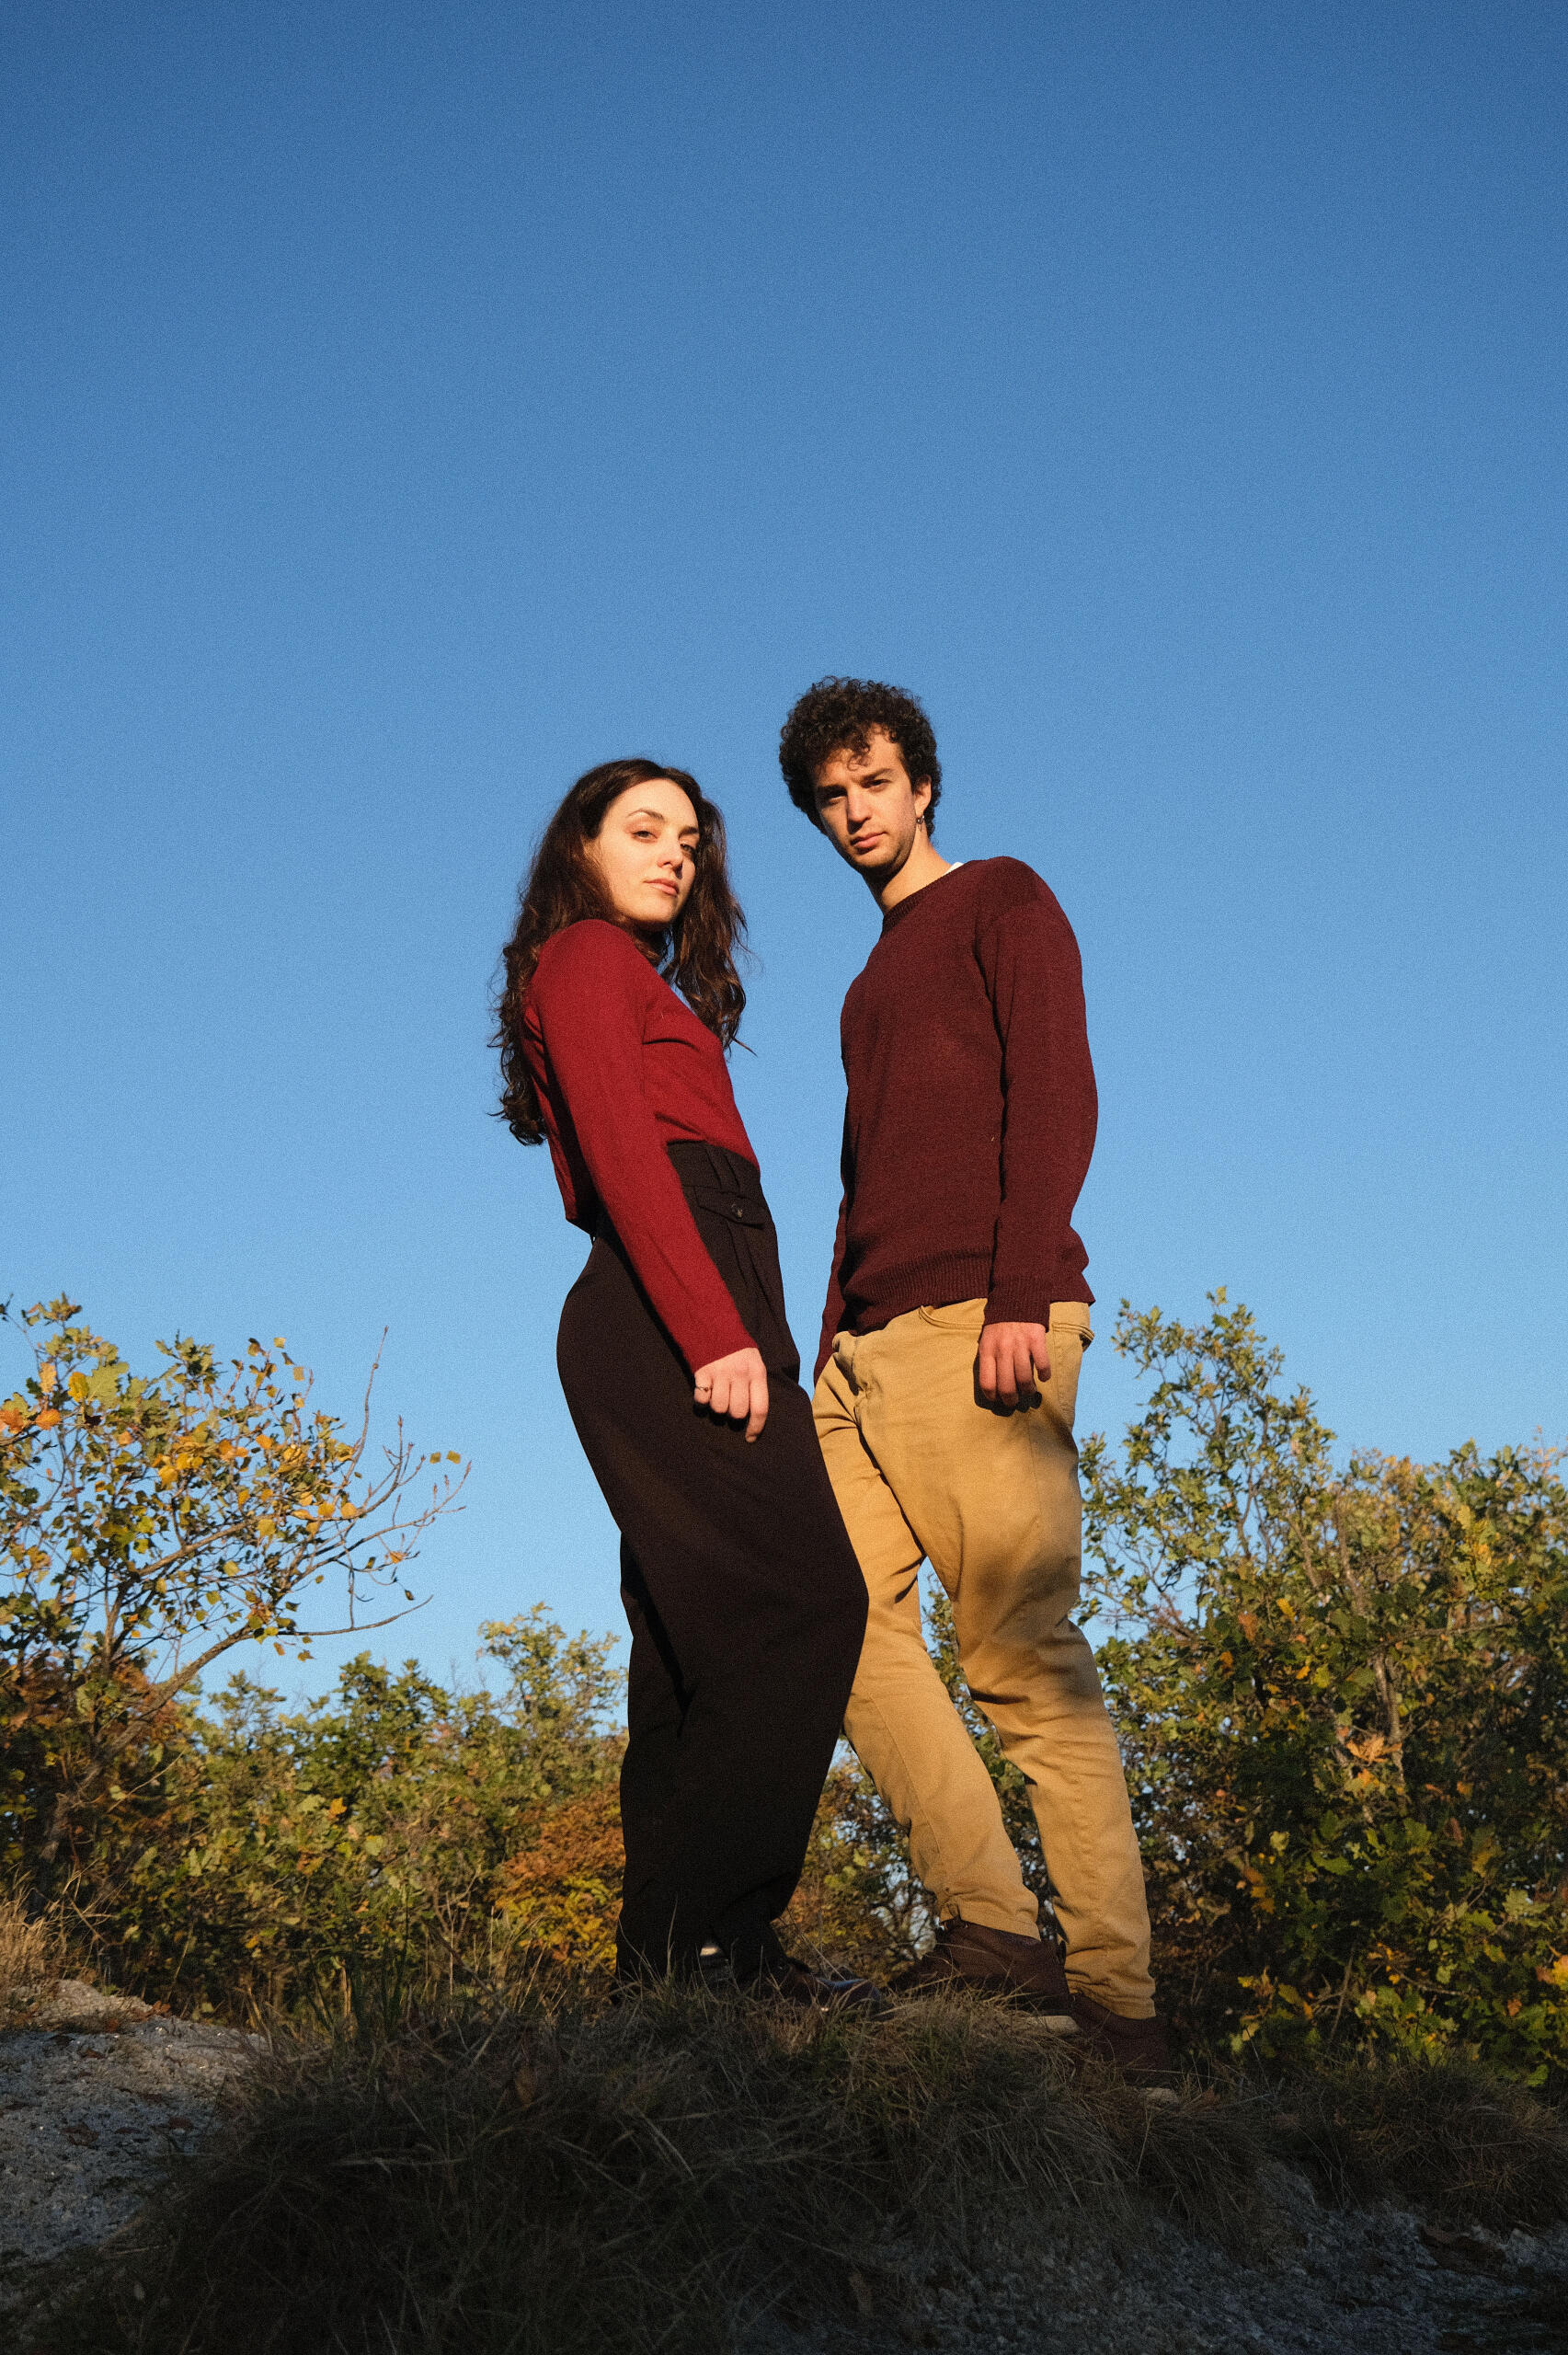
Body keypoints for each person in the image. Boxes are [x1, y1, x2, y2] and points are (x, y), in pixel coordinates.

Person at [777, 678, 1171, 2082]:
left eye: (871, 783)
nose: (852, 813)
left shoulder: (1002, 897)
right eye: (828, 797)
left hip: (980, 1322)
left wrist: (1018, 1297)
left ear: (921, 783)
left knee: (1017, 1655)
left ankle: (1120, 2012)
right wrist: (826, 1339)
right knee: (837, 1629)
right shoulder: (865, 982)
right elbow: (861, 1174)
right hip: (863, 1352)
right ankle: (992, 1930)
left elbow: (1055, 1090)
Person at [495, 757, 877, 2007]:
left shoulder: (631, 978)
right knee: (808, 1603)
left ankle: (672, 1970)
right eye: (643, 829)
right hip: (669, 1305)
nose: (674, 853)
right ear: (581, 849)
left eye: (690, 840)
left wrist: (756, 1327)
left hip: (701, 1298)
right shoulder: (585, 960)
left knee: (688, 1645)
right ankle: (717, 1941)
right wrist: (715, 1332)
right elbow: (623, 1158)